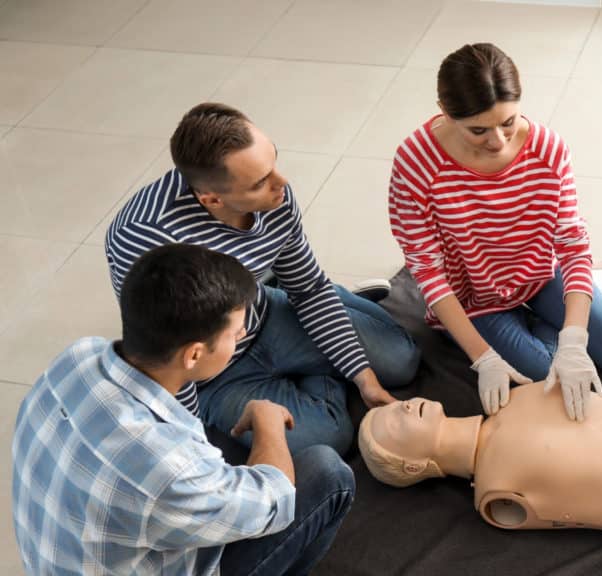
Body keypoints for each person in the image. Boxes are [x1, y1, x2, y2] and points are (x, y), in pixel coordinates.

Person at [388, 42, 602, 421]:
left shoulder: (547, 150)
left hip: (540, 274)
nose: (498, 141)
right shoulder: (415, 162)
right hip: (475, 300)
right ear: (445, 112)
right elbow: (427, 271)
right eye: (478, 130)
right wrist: (483, 357)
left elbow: (571, 246)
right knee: (544, 379)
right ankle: (592, 288)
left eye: (508, 122)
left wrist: (574, 339)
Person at [12, 244, 353, 575]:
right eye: (236, 333)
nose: (245, 333)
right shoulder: (170, 466)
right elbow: (273, 503)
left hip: (71, 554)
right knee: (327, 472)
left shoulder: (78, 356)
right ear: (193, 355)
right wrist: (269, 423)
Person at [106, 102, 420, 455]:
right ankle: (319, 356)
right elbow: (171, 362)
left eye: (274, 162)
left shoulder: (275, 196)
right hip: (215, 372)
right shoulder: (143, 240)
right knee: (328, 438)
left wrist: (364, 378)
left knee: (401, 362)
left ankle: (298, 307)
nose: (281, 183)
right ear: (212, 198)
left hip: (261, 312)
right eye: (259, 182)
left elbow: (309, 289)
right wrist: (195, 445)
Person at [358, 381, 602, 540]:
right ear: (414, 466)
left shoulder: (511, 398)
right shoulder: (495, 495)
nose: (401, 407)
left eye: (392, 405)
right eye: (392, 422)